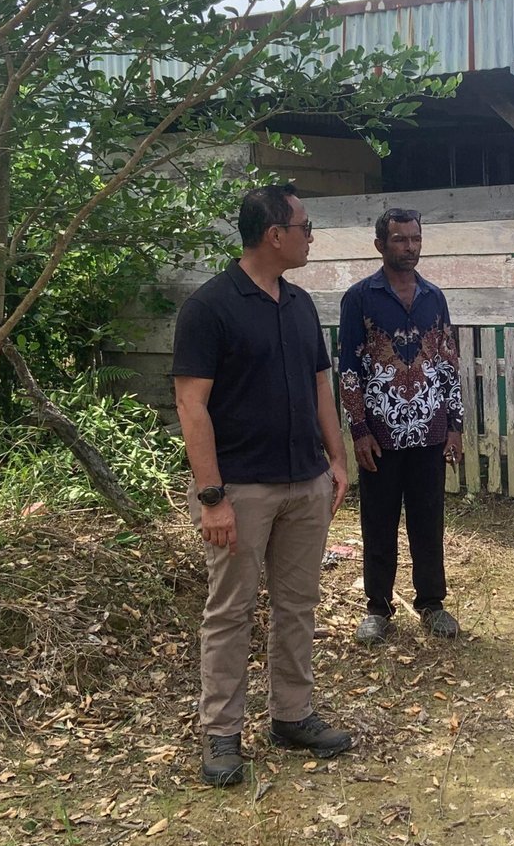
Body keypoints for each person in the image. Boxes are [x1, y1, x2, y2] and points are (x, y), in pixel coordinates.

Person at [173, 184, 354, 787]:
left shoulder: (300, 305)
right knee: (229, 612)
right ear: (275, 235)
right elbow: (191, 406)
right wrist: (212, 496)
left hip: (306, 484)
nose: (310, 236)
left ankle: (292, 715)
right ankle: (221, 733)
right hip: (242, 491)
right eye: (306, 227)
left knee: (296, 606)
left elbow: (320, 388)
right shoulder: (209, 308)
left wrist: (336, 459)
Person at [338, 208, 465, 646]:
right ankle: (378, 606)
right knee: (378, 520)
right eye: (399, 239)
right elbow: (349, 370)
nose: (409, 247)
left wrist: (455, 425)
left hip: (429, 430)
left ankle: (431, 602)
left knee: (428, 519)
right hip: (381, 434)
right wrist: (358, 430)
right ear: (380, 245)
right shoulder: (359, 298)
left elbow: (449, 362)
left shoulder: (434, 297)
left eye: (415, 238)